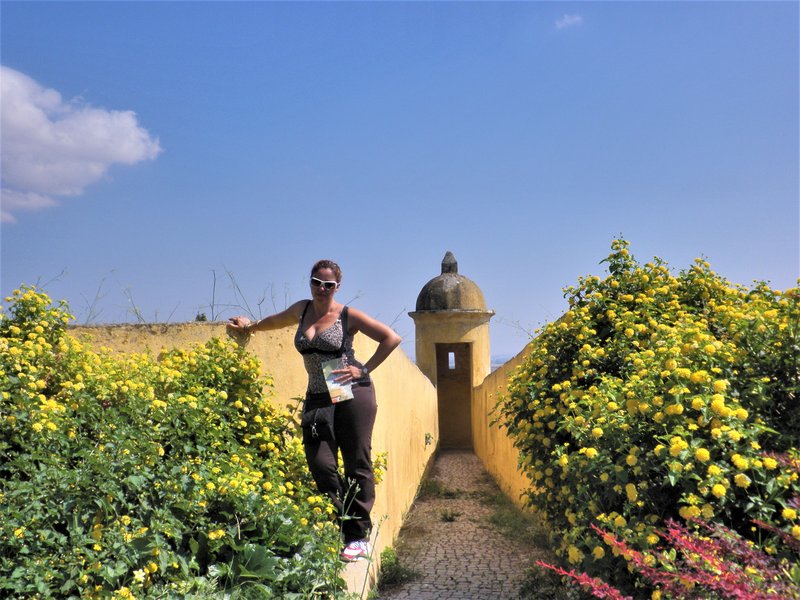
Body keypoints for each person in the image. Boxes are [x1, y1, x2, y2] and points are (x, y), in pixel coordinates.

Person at [227, 259, 401, 562]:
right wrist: (250, 327)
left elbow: (391, 338)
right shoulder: (302, 310)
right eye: (316, 282)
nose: (322, 289)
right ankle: (338, 526)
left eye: (328, 285)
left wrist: (363, 370)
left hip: (348, 390)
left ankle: (357, 537)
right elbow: (276, 321)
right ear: (310, 283)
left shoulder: (347, 315)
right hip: (318, 395)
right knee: (321, 463)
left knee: (356, 461)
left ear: (337, 287)